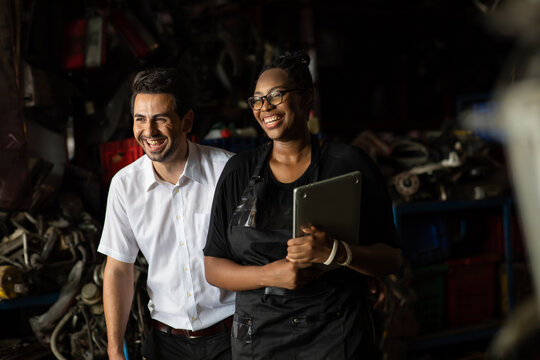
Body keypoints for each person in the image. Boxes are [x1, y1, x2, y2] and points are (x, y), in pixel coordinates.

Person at [203, 51, 401, 359]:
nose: (265, 107)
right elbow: (213, 268)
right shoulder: (238, 172)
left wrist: (337, 252)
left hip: (336, 334)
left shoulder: (349, 165)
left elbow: (390, 258)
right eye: (257, 100)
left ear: (306, 97)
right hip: (258, 339)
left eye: (276, 96)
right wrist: (270, 275)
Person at [98, 67, 235, 360]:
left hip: (232, 336)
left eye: (160, 119)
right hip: (166, 343)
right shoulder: (124, 186)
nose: (149, 132)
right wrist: (113, 351)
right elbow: (119, 269)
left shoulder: (227, 171)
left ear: (186, 121)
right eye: (140, 120)